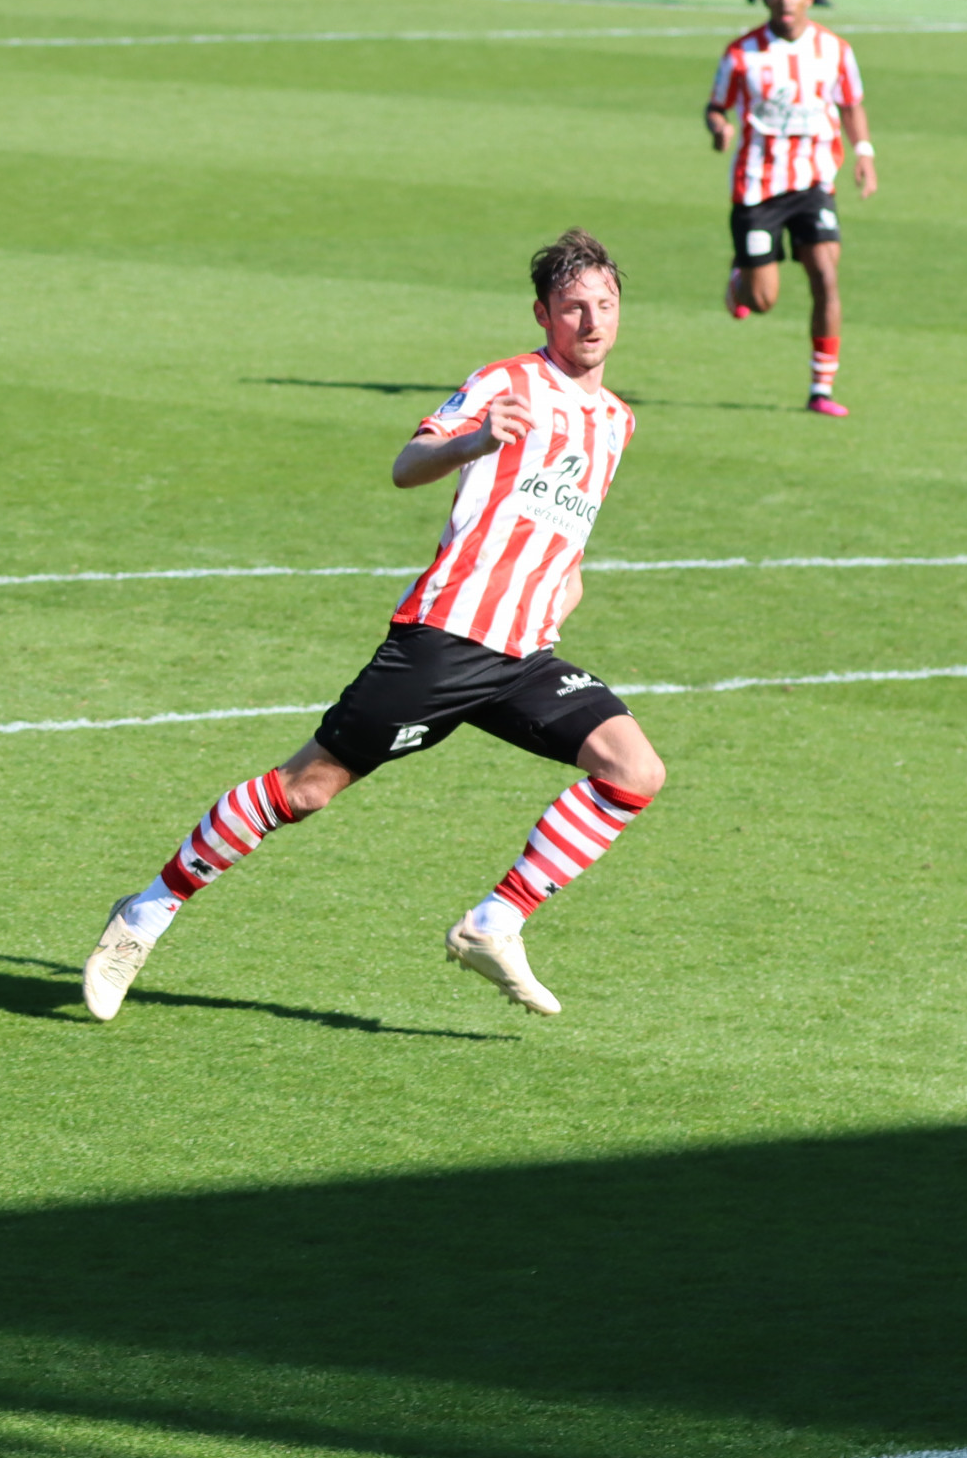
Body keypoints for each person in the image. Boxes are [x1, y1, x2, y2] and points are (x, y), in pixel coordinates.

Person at [82, 232, 659, 1026]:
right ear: (543, 315)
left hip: (525, 652)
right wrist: (476, 440)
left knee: (632, 770)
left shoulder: (617, 422)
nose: (593, 321)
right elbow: (408, 463)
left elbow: (569, 536)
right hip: (447, 637)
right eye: (573, 307)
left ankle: (494, 923)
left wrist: (566, 586)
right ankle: (143, 914)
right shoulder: (508, 382)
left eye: (605, 304)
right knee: (305, 790)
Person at [708, 0, 872, 418]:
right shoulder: (742, 54)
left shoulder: (835, 51)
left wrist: (864, 153)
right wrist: (718, 127)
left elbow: (852, 104)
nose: (785, 0)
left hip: (815, 181)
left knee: (826, 273)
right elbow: (716, 106)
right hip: (758, 188)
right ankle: (740, 281)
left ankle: (821, 389)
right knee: (762, 301)